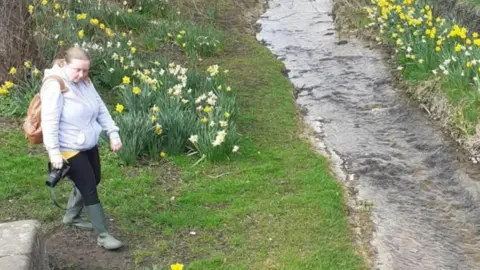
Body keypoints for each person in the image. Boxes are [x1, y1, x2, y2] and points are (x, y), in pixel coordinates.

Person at [40, 47, 123, 250]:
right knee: (89, 187)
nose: (82, 75)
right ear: (65, 64)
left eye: (85, 71)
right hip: (68, 147)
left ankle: (71, 216)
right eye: (77, 70)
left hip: (88, 142)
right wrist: (54, 152)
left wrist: (113, 133)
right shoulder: (55, 85)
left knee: (95, 178)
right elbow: (49, 121)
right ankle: (103, 236)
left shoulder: (85, 82)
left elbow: (100, 107)